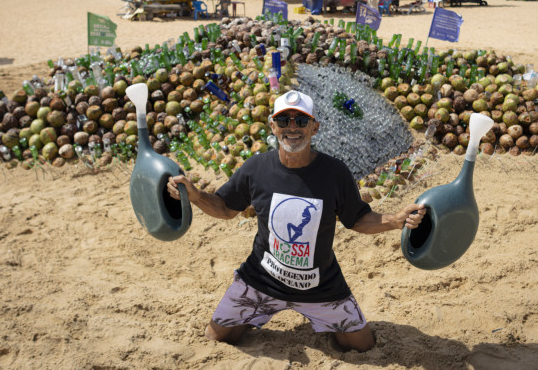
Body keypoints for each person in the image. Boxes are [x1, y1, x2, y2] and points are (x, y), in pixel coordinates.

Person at [168, 91, 426, 352]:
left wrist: (395, 220)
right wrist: (195, 195)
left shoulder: (334, 173)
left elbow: (357, 219)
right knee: (217, 337)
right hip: (260, 279)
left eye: (301, 121)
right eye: (284, 121)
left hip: (321, 285)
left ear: (315, 127)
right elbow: (224, 208)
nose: (292, 127)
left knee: (363, 346)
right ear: (273, 126)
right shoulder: (256, 168)